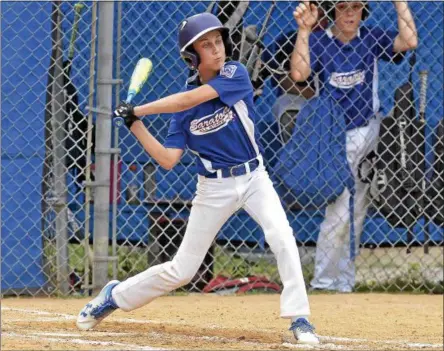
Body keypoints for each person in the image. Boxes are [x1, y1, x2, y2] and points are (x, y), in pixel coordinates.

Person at [76, 12, 319, 345]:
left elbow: (189, 98)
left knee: (281, 235)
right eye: (206, 45)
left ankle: (300, 317)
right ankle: (115, 296)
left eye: (218, 41)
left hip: (253, 177)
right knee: (182, 270)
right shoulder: (182, 112)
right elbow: (167, 159)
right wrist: (135, 125)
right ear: (192, 56)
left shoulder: (235, 74)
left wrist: (140, 109)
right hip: (213, 188)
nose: (217, 49)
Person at [291, 1, 418, 292]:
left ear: (364, 10)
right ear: (332, 11)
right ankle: (324, 281)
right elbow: (299, 74)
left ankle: (344, 281)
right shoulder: (321, 41)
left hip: (366, 134)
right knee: (338, 214)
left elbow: (409, 41)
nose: (350, 13)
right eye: (343, 7)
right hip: (334, 137)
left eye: (356, 7)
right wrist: (304, 31)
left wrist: (400, 3)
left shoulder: (370, 37)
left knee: (357, 212)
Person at [261, 1, 329, 144]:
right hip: (302, 99)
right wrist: (319, 98)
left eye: (321, 16)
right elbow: (283, 79)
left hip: (334, 101)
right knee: (287, 105)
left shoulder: (335, 40)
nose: (316, 20)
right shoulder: (286, 42)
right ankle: (294, 157)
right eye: (311, 14)